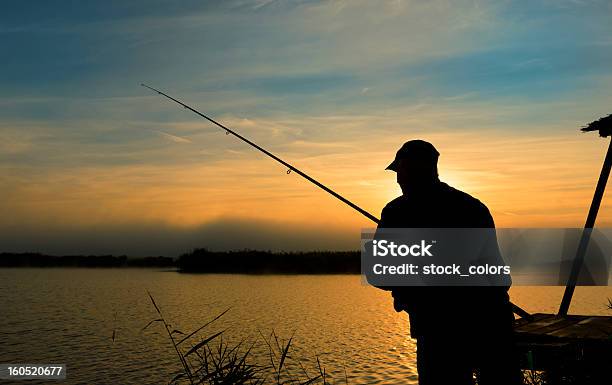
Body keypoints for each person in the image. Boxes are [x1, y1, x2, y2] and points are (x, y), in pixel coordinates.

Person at [376, 140, 521, 385]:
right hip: (493, 323)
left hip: (438, 330)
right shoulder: (473, 206)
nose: (398, 179)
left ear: (410, 169)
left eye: (399, 171)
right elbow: (497, 276)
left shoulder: (397, 211)